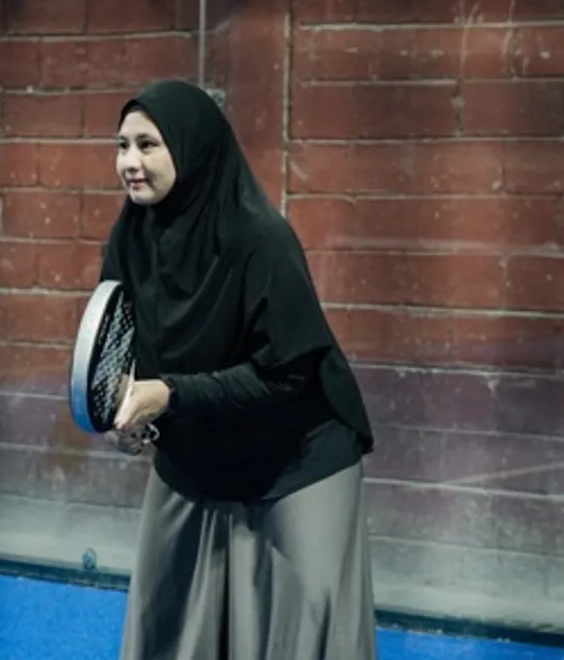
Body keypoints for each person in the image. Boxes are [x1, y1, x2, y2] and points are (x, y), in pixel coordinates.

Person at [100, 78, 377, 660]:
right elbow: (121, 347)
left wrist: (167, 395)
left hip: (297, 457)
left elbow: (286, 375)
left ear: (193, 148)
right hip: (196, 453)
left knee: (306, 627)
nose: (129, 162)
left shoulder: (262, 241)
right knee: (166, 622)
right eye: (122, 145)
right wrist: (127, 417)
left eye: (147, 145)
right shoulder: (129, 239)